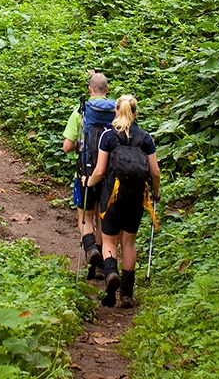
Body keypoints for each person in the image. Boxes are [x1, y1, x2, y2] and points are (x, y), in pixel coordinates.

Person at [87, 94, 160, 309]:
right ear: (136, 113)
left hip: (112, 197)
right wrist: (156, 194)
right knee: (128, 242)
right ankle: (127, 294)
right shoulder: (145, 138)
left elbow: (100, 170)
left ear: (116, 112)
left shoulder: (108, 137)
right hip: (136, 199)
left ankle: (111, 273)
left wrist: (88, 182)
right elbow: (155, 173)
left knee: (109, 241)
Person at [63, 73, 114, 281]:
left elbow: (67, 147)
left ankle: (90, 247)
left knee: (86, 217)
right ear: (107, 89)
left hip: (86, 173)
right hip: (109, 175)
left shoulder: (81, 112)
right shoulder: (117, 112)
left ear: (89, 90)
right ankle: (101, 266)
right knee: (103, 218)